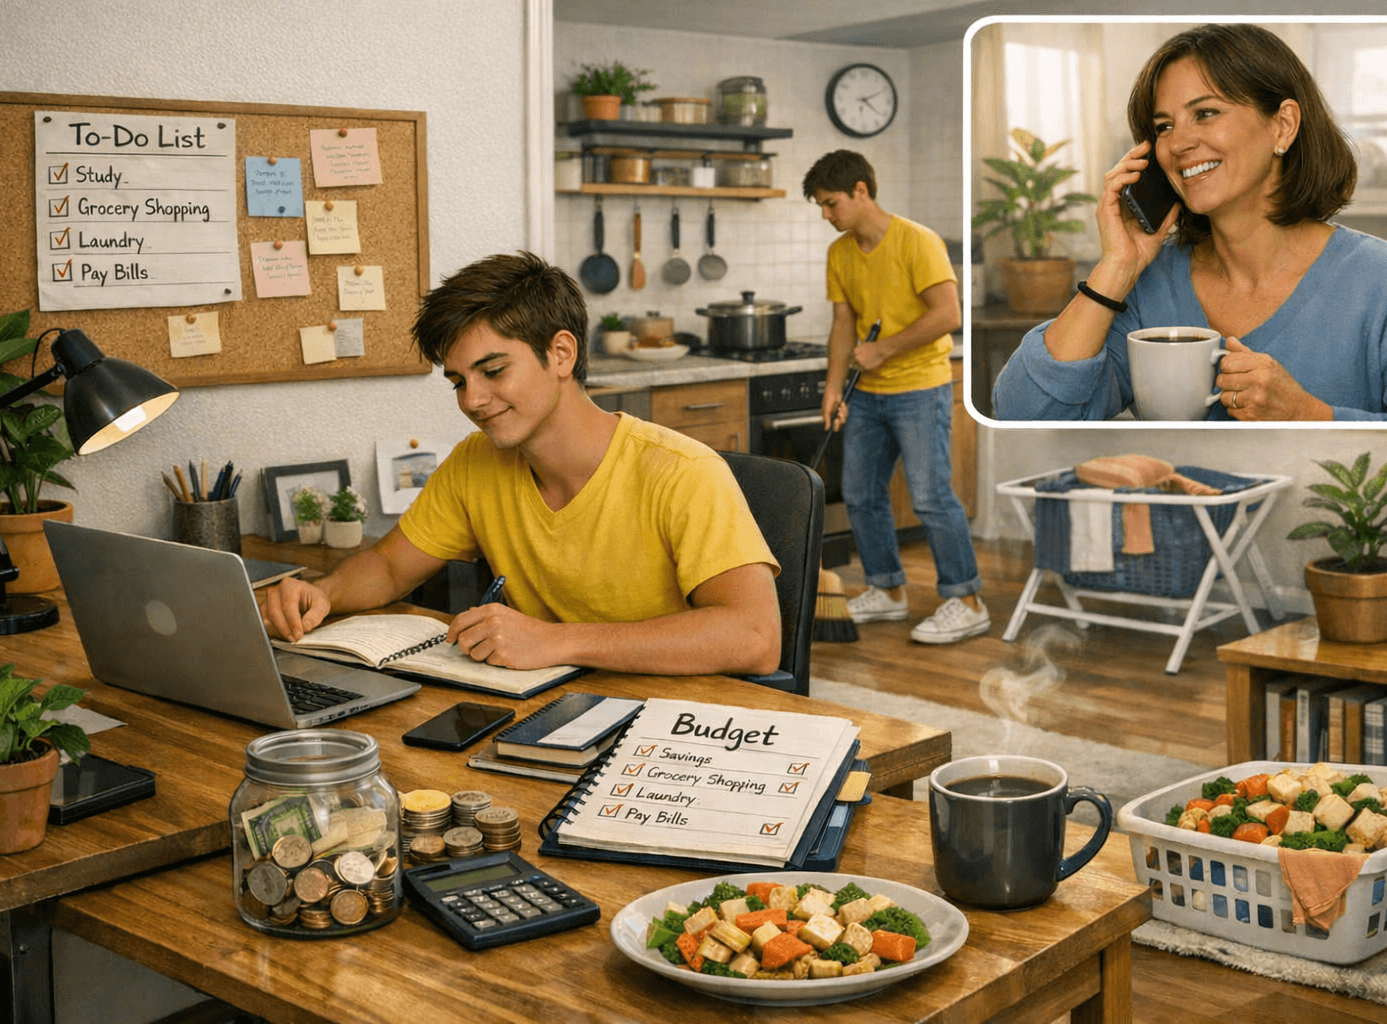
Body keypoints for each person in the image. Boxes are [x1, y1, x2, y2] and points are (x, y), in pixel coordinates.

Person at [261, 251, 781, 677]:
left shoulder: (682, 471)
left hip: (680, 725)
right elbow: (392, 566)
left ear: (561, 354)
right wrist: (322, 593)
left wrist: (556, 642)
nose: (472, 400)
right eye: (459, 381)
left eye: (492, 371)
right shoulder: (475, 464)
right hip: (550, 706)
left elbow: (755, 639)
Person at [993, 23, 1387, 423]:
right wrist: (1116, 268)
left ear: (1283, 126)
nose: (1179, 143)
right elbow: (1023, 414)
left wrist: (1309, 415)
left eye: (1205, 113)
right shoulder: (1147, 288)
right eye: (1164, 126)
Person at [802, 150, 987, 644]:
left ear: (861, 190)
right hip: (866, 396)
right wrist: (834, 388)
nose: (826, 215)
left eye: (831, 203)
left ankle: (966, 599)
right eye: (820, 206)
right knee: (860, 494)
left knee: (930, 497)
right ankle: (887, 591)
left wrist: (884, 348)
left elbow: (948, 314)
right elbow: (843, 325)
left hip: (920, 389)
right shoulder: (840, 254)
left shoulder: (916, 241)